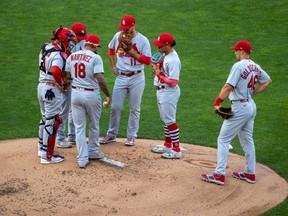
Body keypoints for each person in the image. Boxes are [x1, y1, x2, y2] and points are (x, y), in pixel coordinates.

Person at [201, 40, 272, 185]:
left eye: (236, 50)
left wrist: (217, 102)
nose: (235, 53)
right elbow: (267, 81)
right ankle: (250, 173)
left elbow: (228, 86)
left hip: (240, 107)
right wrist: (251, 93)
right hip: (250, 106)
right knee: (247, 140)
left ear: (242, 51)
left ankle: (219, 174)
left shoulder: (238, 66)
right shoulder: (256, 66)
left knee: (223, 140)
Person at [99, 15, 151, 146]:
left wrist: (132, 52)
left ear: (133, 26)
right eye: (123, 28)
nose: (125, 31)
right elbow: (110, 50)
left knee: (134, 108)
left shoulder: (143, 40)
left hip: (137, 77)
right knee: (115, 107)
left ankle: (131, 136)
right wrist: (113, 65)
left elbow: (148, 61)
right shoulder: (117, 36)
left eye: (127, 29)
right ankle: (111, 134)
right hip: (121, 77)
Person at [65, 34, 111, 168]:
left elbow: (67, 76)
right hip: (91, 95)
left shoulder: (71, 56)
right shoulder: (96, 58)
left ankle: (82, 159)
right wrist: (108, 95)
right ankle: (92, 151)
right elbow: (100, 78)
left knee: (79, 128)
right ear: (95, 45)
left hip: (75, 94)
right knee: (94, 124)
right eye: (97, 46)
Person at [37, 26, 75, 164]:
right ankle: (48, 156)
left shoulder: (45, 47)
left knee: (45, 118)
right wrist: (61, 84)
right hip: (51, 89)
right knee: (53, 122)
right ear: (63, 40)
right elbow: (55, 70)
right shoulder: (59, 55)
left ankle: (42, 148)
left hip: (41, 86)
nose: (71, 42)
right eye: (69, 40)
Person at [150, 33, 182, 159]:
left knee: (170, 120)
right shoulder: (166, 55)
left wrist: (158, 73)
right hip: (162, 91)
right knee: (165, 120)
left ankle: (176, 150)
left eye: (160, 46)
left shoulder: (173, 60)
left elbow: (174, 81)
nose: (158, 48)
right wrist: (157, 67)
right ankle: (168, 146)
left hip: (169, 92)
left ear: (168, 45)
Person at [56, 22, 88, 148]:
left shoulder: (85, 44)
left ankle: (72, 136)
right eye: (78, 37)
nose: (79, 40)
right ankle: (59, 137)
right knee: (63, 110)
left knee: (75, 109)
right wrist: (64, 82)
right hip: (66, 80)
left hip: (78, 81)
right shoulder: (64, 45)